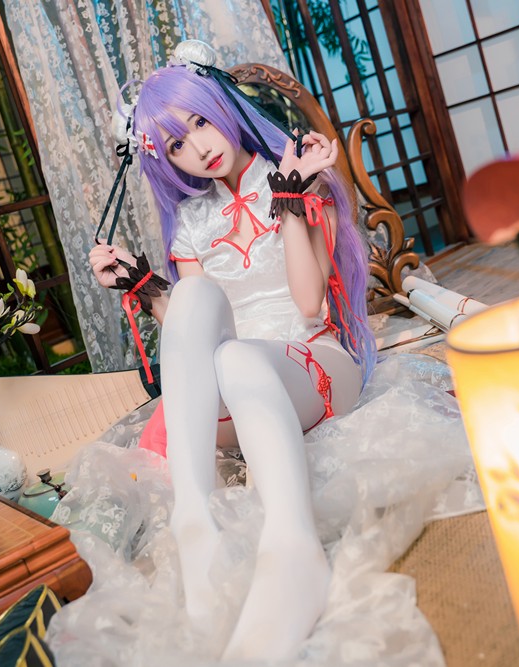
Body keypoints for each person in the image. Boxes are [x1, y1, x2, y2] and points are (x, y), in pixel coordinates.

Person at [87, 44, 375, 661]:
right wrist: (144, 287)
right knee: (198, 309)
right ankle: (195, 521)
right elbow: (193, 336)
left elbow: (308, 303)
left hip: (314, 361)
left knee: (240, 358)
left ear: (220, 104)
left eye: (199, 121)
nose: (199, 147)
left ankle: (291, 545)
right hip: (236, 380)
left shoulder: (297, 170)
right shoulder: (192, 223)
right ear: (167, 161)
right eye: (177, 144)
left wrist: (291, 198)